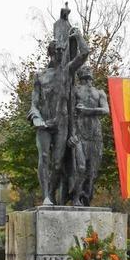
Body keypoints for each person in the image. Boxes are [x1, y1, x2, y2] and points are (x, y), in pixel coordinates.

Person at [28, 26, 89, 205]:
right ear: (51, 53)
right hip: (44, 124)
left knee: (56, 164)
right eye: (58, 51)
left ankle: (52, 194)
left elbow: (84, 54)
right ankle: (46, 196)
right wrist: (37, 118)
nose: (61, 54)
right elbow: (34, 103)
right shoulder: (40, 76)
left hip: (61, 124)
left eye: (63, 51)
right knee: (44, 157)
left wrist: (78, 36)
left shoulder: (67, 71)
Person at [72, 65, 110, 206]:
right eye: (85, 75)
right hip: (79, 133)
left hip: (95, 135)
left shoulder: (99, 92)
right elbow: (68, 113)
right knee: (81, 167)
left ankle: (86, 197)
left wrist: (87, 110)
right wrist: (71, 134)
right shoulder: (75, 90)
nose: (88, 77)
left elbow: (106, 110)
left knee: (92, 172)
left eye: (89, 74)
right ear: (80, 77)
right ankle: (75, 198)